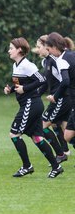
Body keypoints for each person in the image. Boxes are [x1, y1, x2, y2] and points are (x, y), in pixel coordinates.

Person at [4, 37, 63, 178]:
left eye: (11, 48)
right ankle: (56, 167)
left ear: (19, 50)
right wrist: (10, 90)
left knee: (14, 134)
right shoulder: (16, 65)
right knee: (37, 137)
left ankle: (27, 166)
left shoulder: (27, 65)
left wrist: (24, 88)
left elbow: (41, 80)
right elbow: (20, 85)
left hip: (31, 104)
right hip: (30, 105)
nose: (9, 50)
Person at [33, 35, 70, 163]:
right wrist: (35, 95)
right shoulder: (45, 61)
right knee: (67, 130)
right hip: (59, 99)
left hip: (62, 99)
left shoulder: (55, 60)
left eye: (39, 47)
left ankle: (60, 154)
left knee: (42, 126)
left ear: (47, 47)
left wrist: (57, 95)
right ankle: (63, 152)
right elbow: (46, 83)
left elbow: (65, 81)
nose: (37, 50)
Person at [45, 32, 75, 155]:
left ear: (54, 46)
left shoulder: (61, 60)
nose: (49, 53)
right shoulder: (71, 54)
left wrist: (55, 96)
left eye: (49, 49)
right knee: (67, 135)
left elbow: (65, 81)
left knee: (68, 135)